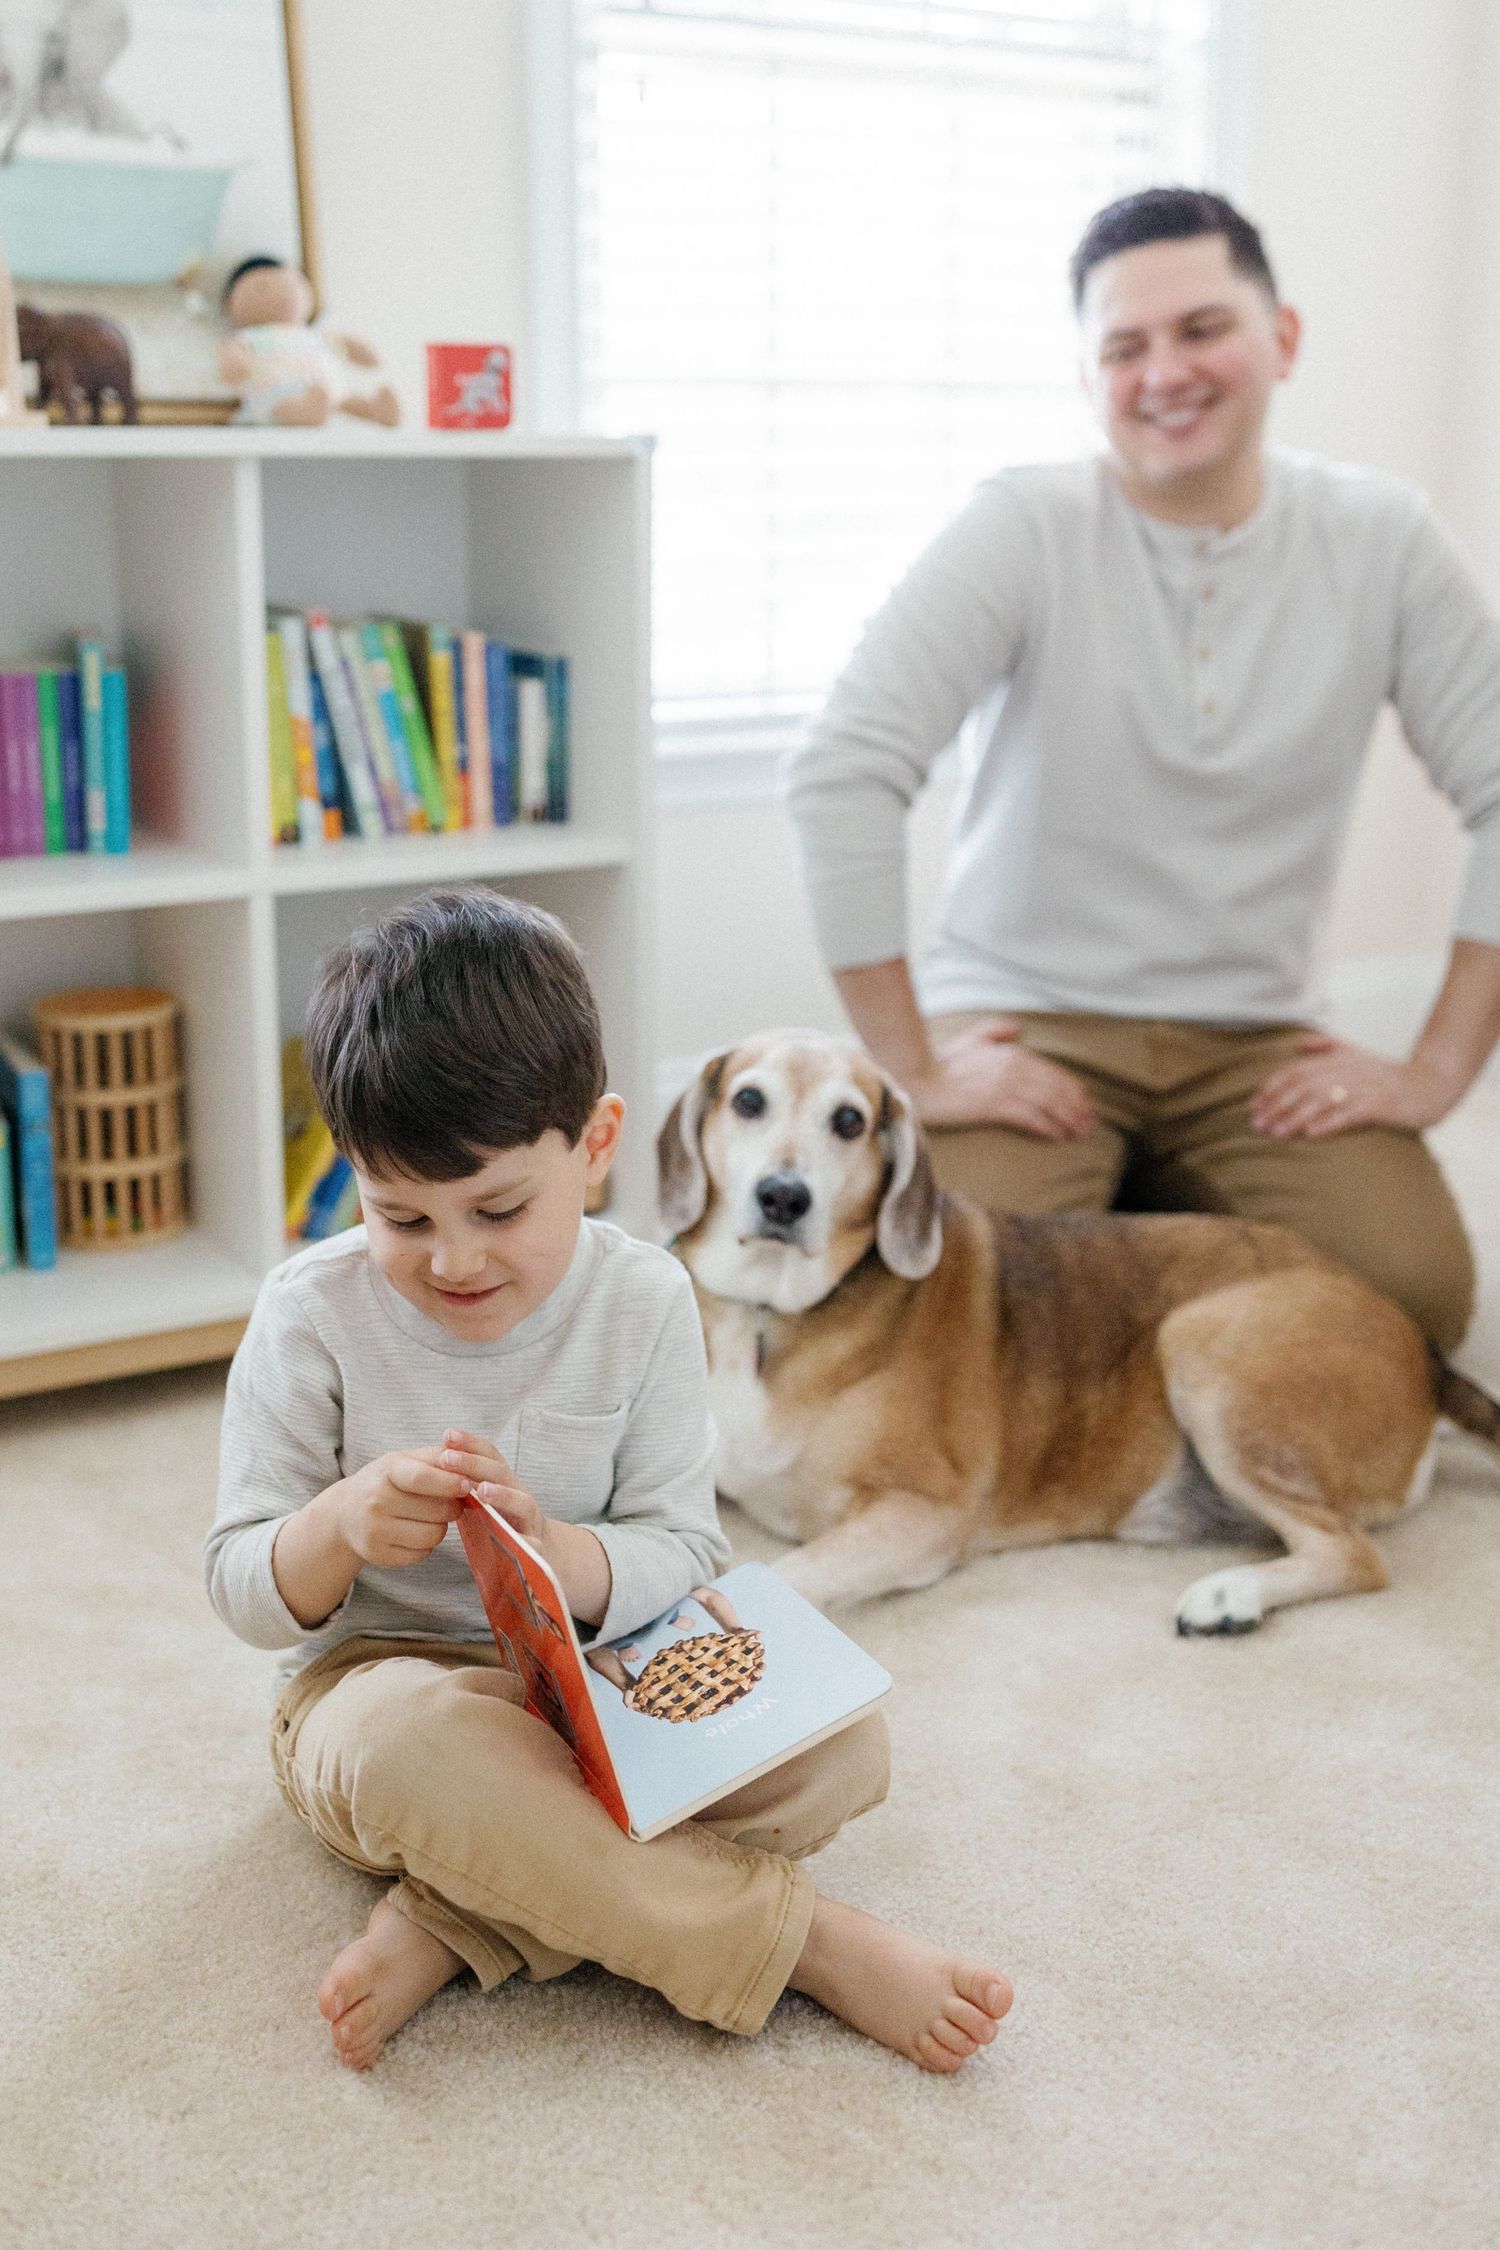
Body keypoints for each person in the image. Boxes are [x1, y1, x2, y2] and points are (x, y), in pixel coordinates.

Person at [205, 886, 1012, 2074]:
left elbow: (686, 1554)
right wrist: (336, 1524)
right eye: (400, 1217)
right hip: (371, 1690)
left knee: (843, 1753)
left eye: (498, 1208)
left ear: (594, 1144)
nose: (454, 1258)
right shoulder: (309, 1314)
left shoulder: (646, 1298)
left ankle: (466, 1913)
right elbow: (240, 1585)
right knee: (409, 1752)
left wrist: (564, 1552)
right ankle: (797, 1945)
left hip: (595, 1691)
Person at [785, 187, 1500, 1351]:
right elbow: (843, 767)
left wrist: (1438, 1072)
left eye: (1202, 329)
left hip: (1257, 1045)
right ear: (1090, 378)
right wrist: (911, 1063)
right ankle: (1146, 1214)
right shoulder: (1024, 525)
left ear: (1283, 339)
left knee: (1411, 1301)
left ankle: (1142, 1205)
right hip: (1029, 1027)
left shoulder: (1386, 538)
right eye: (1125, 348)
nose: (1165, 372)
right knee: (925, 1299)